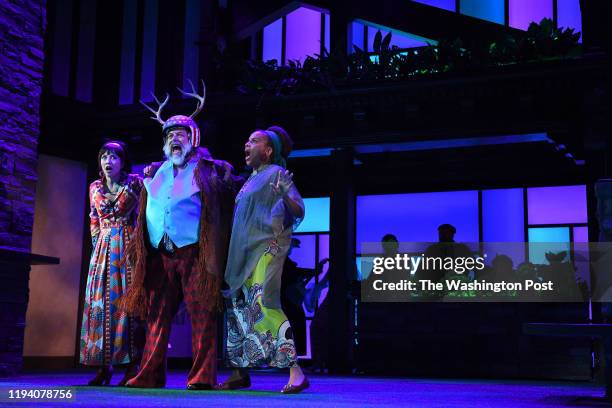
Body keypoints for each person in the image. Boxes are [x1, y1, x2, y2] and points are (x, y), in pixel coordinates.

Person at [121, 81, 239, 390]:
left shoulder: (208, 168)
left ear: (193, 139)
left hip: (194, 253)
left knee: (202, 315)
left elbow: (225, 196)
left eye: (181, 135)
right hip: (161, 253)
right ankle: (149, 374)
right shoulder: (156, 172)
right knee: (156, 316)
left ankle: (201, 377)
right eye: (170, 136)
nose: (175, 140)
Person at [219, 126, 309, 394]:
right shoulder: (250, 180)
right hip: (242, 252)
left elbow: (298, 209)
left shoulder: (277, 174)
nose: (247, 144)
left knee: (264, 303)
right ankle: (239, 372)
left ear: (268, 151)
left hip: (265, 249)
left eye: (254, 141)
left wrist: (284, 194)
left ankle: (296, 371)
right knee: (238, 309)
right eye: (246, 140)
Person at [80, 141, 144, 386]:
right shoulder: (94, 187)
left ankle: (130, 365)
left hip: (127, 246)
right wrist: (97, 249)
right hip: (103, 249)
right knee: (99, 305)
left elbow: (143, 215)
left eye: (114, 157)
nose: (108, 161)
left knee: (126, 305)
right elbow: (94, 220)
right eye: (104, 156)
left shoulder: (135, 183)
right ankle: (102, 365)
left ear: (123, 161)